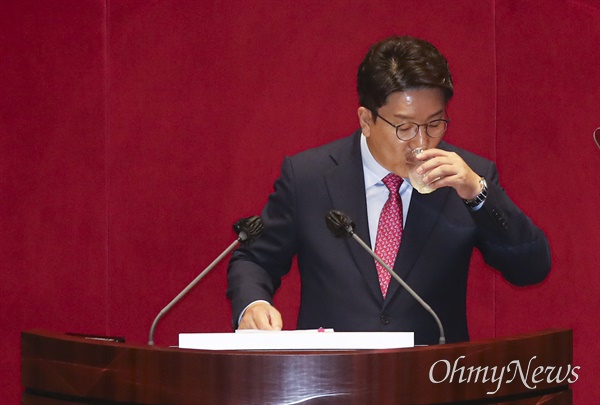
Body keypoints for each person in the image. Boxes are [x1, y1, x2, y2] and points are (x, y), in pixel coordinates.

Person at [226, 35, 551, 345]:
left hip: (432, 383)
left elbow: (530, 268)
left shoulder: (465, 177)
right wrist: (253, 304)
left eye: (434, 124)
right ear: (366, 120)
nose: (421, 143)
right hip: (331, 382)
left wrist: (478, 194)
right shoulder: (308, 178)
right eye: (405, 127)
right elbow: (255, 259)